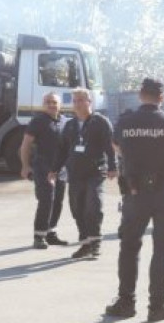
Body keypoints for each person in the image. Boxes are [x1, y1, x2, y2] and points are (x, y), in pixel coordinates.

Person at [105, 78, 164, 321]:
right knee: (163, 248)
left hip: (135, 191)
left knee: (129, 247)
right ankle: (157, 306)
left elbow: (116, 146)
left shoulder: (126, 121)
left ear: (140, 95)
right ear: (162, 97)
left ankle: (125, 303)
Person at [52, 88, 117, 259]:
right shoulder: (70, 125)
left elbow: (110, 147)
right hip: (75, 174)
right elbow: (62, 150)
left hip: (95, 172)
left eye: (81, 100)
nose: (78, 103)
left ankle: (95, 243)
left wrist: (113, 166)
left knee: (93, 205)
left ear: (89, 102)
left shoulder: (101, 122)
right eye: (75, 101)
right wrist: (54, 169)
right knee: (76, 208)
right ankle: (85, 243)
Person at [19, 92, 69, 249]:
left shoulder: (65, 121)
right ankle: (39, 236)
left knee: (58, 202)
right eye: (48, 102)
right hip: (43, 168)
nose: (51, 105)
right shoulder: (38, 121)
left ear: (60, 105)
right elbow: (25, 145)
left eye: (54, 102)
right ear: (43, 105)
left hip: (61, 169)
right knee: (46, 200)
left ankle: (51, 233)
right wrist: (25, 166)